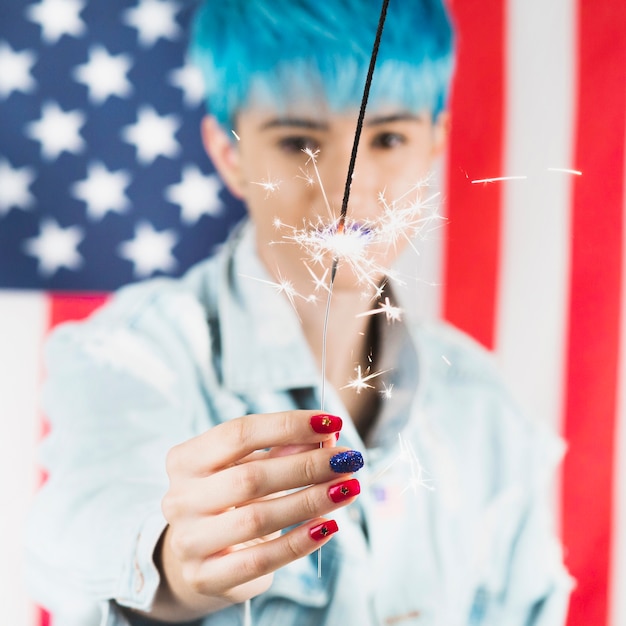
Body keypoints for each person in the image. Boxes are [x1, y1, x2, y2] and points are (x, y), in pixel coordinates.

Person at [25, 0, 572, 624]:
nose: (347, 185)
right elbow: (79, 526)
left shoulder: (483, 402)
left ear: (434, 146)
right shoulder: (135, 353)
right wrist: (176, 565)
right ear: (230, 155)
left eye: (389, 137)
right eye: (298, 141)